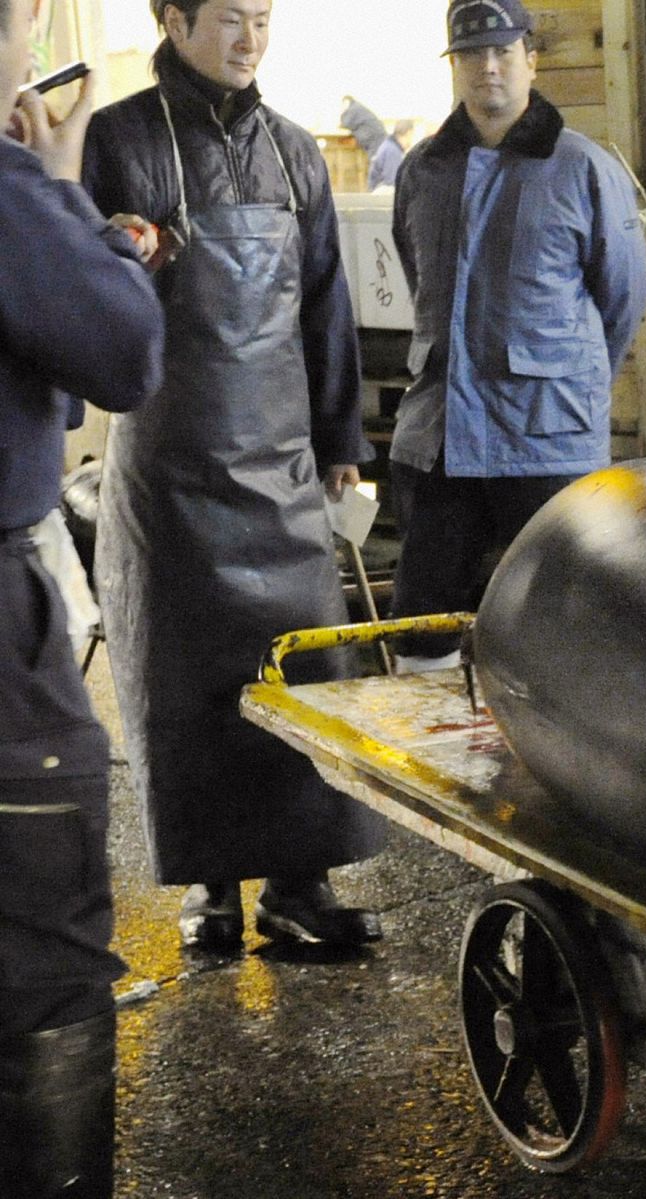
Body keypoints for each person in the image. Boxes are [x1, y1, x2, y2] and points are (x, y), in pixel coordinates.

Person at [81, 0, 389, 952]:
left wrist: (342, 436)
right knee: (187, 684)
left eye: (262, 19)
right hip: (170, 473)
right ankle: (210, 889)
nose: (250, 40)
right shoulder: (121, 138)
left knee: (298, 674)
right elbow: (87, 288)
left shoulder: (295, 151)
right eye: (228, 19)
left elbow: (326, 298)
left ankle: (302, 884)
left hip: (281, 468)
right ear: (172, 21)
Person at [0, 3, 164, 1187]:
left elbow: (42, 389)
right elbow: (118, 354)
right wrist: (61, 202)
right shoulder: (9, 193)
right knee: (42, 948)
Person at [387, 0, 646, 671]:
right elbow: (419, 274)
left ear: (532, 58)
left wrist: (565, 378)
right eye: (472, 54)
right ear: (455, 67)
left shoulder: (584, 168)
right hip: (442, 436)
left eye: (504, 50)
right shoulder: (423, 170)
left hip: (546, 438)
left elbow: (625, 296)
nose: (489, 66)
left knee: (568, 623)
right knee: (421, 625)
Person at [367, 117, 414, 190]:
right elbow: (392, 182)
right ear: (409, 133)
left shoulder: (389, 145)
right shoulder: (392, 151)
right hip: (382, 194)